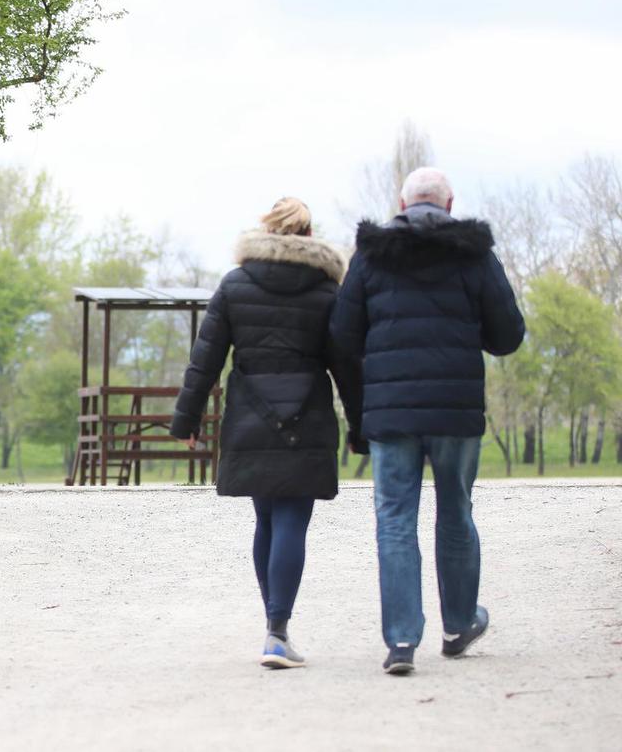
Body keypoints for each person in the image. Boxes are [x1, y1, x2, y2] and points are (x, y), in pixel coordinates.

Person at [330, 167, 525, 676]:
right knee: (455, 511)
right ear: (450, 204)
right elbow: (507, 335)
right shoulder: (474, 255)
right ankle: (458, 624)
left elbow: (343, 335)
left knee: (395, 518)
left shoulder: (371, 255)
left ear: (401, 203)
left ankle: (401, 640)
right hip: (454, 410)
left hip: (391, 410)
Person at [171, 197, 363, 670]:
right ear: (308, 234)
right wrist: (362, 427)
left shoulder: (235, 285)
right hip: (306, 417)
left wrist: (187, 419)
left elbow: (205, 359)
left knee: (266, 520)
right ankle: (278, 631)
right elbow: (347, 368)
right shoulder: (327, 291)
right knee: (293, 520)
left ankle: (273, 629)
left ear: (268, 230)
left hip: (251, 415)